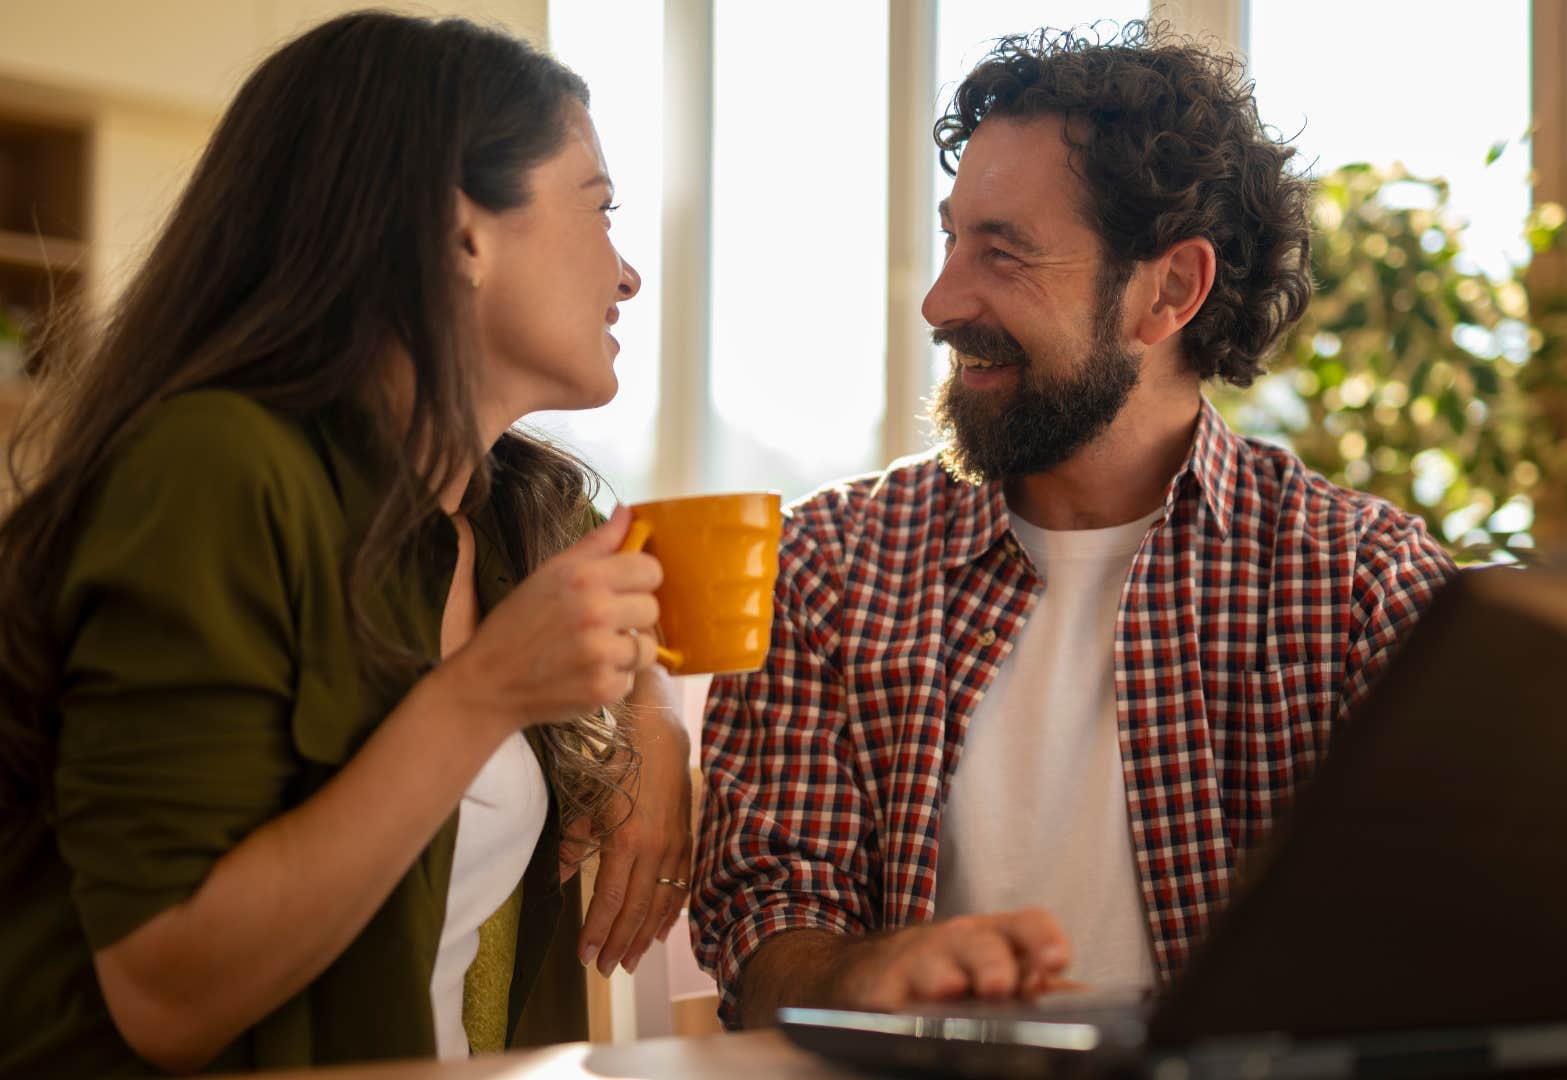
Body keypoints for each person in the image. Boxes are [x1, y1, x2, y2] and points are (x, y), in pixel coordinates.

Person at [690, 22, 1457, 1029]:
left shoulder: (1368, 588)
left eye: (1002, 254)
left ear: (1170, 289)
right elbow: (767, 919)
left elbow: (1448, 948)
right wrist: (865, 980)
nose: (939, 299)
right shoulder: (829, 565)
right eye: (952, 236)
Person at [0, 12, 691, 1075]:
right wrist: (484, 696)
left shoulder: (494, 512)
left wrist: (655, 730)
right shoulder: (215, 469)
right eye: (598, 210)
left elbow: (606, 625)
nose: (629, 273)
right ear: (462, 234)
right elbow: (165, 998)